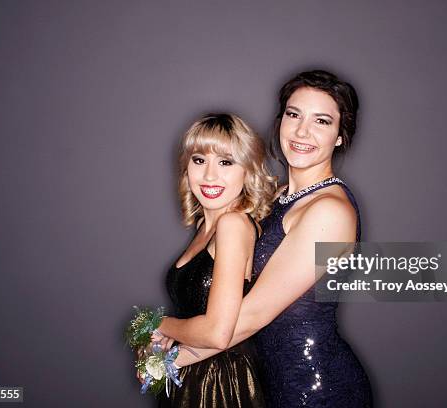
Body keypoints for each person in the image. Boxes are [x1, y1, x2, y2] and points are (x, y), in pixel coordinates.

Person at [157, 70, 373, 407]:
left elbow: (249, 316)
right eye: (293, 114)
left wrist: (169, 352)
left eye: (322, 121)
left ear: (340, 136)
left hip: (314, 389)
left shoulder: (330, 211)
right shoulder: (277, 196)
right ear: (280, 120)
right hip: (265, 381)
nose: (302, 131)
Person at [153, 113, 275, 407]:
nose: (209, 176)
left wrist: (160, 325)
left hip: (220, 385)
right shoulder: (204, 226)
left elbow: (218, 334)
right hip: (192, 376)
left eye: (225, 162)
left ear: (248, 170)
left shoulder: (233, 225)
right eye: (199, 160)